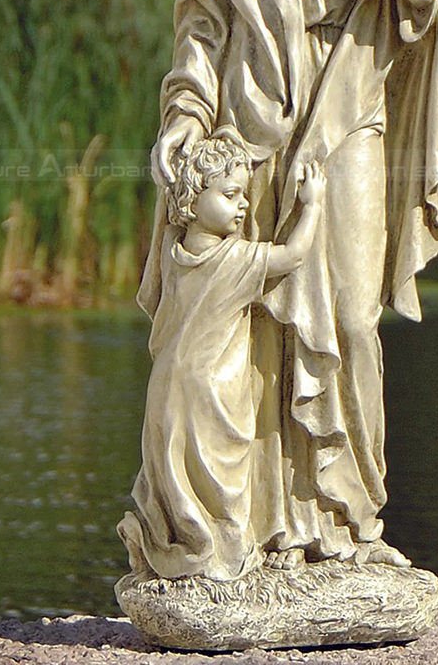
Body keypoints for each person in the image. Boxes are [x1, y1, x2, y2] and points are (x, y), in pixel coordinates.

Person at [134, 0, 438, 576]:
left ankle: (350, 520)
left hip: (349, 104)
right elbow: (202, 16)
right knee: (250, 328)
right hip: (250, 113)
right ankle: (259, 530)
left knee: (351, 315)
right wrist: (185, 113)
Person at [119, 128, 326, 581]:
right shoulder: (236, 259)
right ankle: (220, 559)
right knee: (220, 483)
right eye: (230, 195)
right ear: (193, 201)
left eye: (244, 195)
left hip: (165, 386)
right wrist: (311, 205)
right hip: (213, 389)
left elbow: (171, 222)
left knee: (173, 476)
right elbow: (293, 256)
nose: (243, 205)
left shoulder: (173, 251)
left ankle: (163, 542)